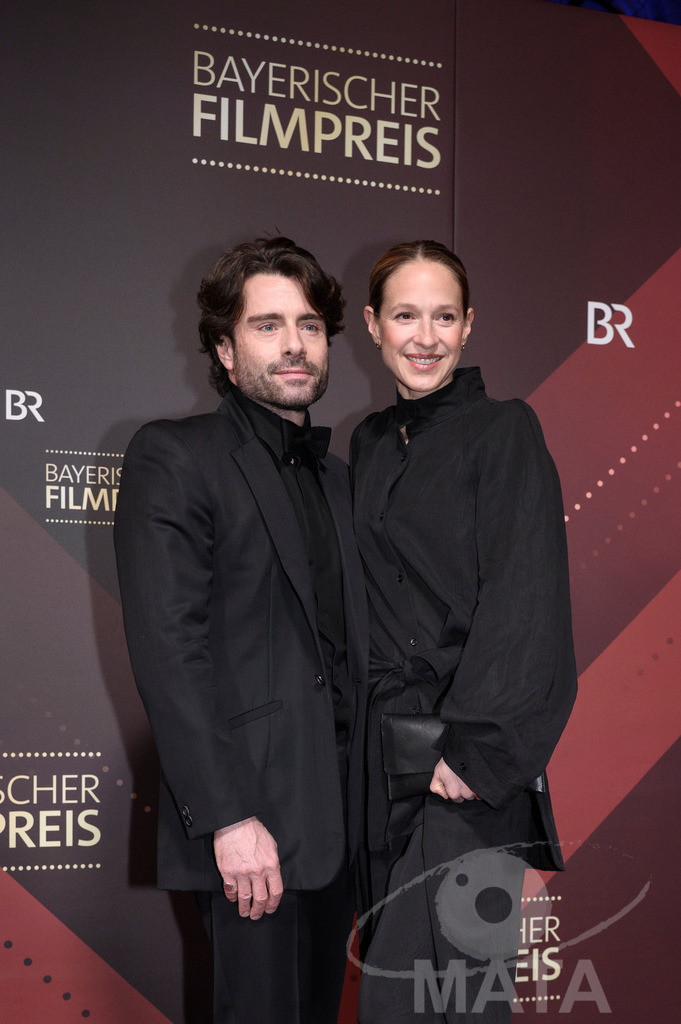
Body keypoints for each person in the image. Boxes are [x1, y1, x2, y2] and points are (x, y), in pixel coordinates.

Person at [114, 236, 368, 1024]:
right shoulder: (175, 456)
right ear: (225, 351)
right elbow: (169, 649)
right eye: (266, 325)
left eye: (309, 325)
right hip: (250, 823)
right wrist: (227, 816)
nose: (293, 343)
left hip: (343, 824)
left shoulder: (340, 478)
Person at [350, 241, 577, 1023]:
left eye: (443, 316)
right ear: (372, 326)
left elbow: (527, 600)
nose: (424, 336)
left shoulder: (505, 430)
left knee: (450, 1001)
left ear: (469, 325)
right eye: (405, 315)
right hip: (387, 763)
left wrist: (473, 754)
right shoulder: (371, 443)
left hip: (465, 772)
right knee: (399, 996)